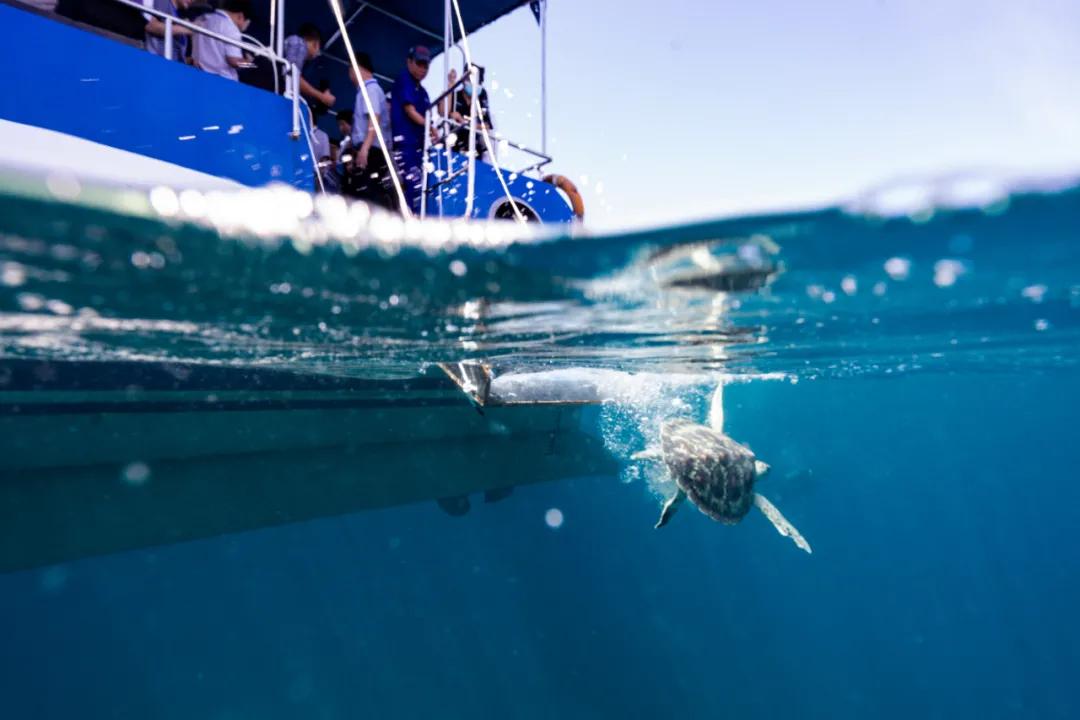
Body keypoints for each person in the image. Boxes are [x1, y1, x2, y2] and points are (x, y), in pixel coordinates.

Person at [348, 52, 396, 210]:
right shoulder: (366, 90)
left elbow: (374, 119)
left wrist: (365, 148)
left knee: (370, 195)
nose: (350, 76)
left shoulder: (371, 89)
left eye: (350, 70)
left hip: (373, 151)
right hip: (369, 149)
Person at [391, 45, 436, 210]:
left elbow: (429, 117)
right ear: (409, 62)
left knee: (422, 184)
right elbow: (409, 110)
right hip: (405, 144)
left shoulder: (423, 92)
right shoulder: (404, 80)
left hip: (419, 147)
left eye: (426, 66)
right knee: (412, 184)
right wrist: (430, 127)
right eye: (419, 64)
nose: (422, 69)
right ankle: (411, 217)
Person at [191, 0, 252, 81]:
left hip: (197, 75)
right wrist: (250, 64)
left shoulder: (202, 18)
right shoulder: (231, 28)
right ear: (240, 16)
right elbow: (234, 62)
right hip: (222, 81)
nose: (244, 28)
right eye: (246, 23)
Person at [444, 64, 493, 160]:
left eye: (478, 82)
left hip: (474, 149)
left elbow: (486, 127)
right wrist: (451, 84)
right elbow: (443, 112)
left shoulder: (482, 96)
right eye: (470, 80)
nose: (473, 84)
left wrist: (463, 121)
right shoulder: (455, 95)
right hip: (452, 146)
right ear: (463, 80)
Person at [282, 23, 335, 110]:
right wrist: (322, 96)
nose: (317, 54)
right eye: (319, 49)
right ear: (315, 44)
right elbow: (293, 78)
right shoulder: (299, 43)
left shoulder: (292, 45)